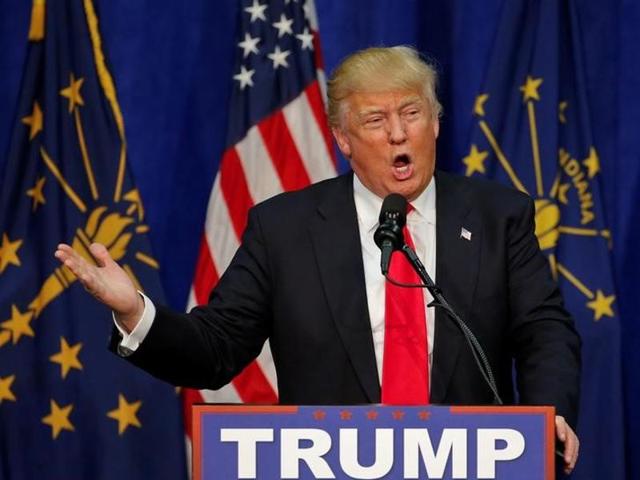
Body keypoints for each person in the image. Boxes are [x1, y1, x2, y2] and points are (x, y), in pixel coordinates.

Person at [55, 46, 581, 474]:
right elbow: (215, 350)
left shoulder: (497, 216)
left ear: (436, 124)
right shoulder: (284, 229)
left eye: (412, 113)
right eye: (376, 120)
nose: (399, 134)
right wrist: (135, 312)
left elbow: (544, 332)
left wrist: (549, 418)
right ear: (343, 140)